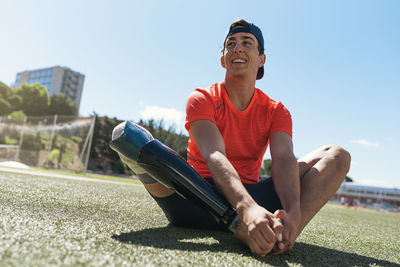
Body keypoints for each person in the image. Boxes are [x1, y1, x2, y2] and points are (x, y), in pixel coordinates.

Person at [116, 19, 351, 257]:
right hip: (195, 200)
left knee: (337, 155)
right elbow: (214, 153)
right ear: (223, 59)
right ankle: (240, 227)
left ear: (261, 60)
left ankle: (279, 236)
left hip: (253, 199)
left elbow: (282, 159)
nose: (237, 48)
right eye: (231, 44)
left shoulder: (276, 110)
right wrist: (246, 209)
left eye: (247, 42)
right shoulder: (202, 98)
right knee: (127, 136)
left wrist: (293, 212)